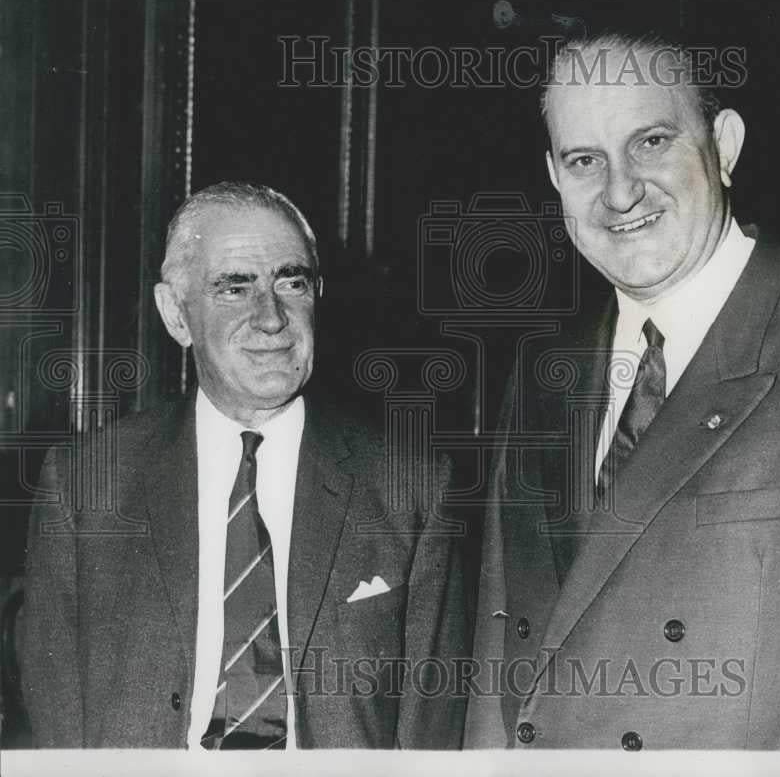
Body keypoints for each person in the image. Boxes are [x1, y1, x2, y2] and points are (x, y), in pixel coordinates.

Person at [464, 32, 780, 750]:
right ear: (555, 178)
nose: (620, 190)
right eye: (585, 159)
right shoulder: (542, 377)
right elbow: (499, 658)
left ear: (725, 145)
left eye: (650, 141)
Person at [22, 182, 467, 749]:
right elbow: (56, 716)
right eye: (235, 288)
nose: (272, 317)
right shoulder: (87, 485)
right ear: (176, 314)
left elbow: (431, 729)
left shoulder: (412, 488)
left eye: (291, 281)